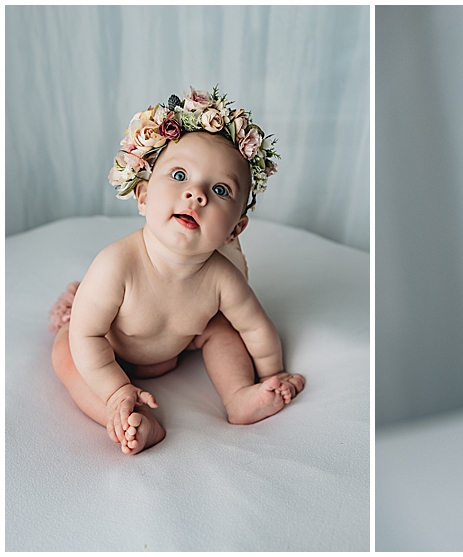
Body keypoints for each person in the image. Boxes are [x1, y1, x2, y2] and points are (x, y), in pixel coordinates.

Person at [47, 86, 303, 455]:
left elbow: (256, 328)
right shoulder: (117, 265)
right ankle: (123, 416)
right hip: (110, 350)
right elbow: (87, 335)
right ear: (144, 196)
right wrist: (116, 388)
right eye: (180, 175)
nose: (196, 194)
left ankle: (239, 397)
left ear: (235, 229)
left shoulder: (221, 278)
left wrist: (273, 374)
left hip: (173, 351)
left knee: (223, 330)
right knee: (66, 353)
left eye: (219, 189)